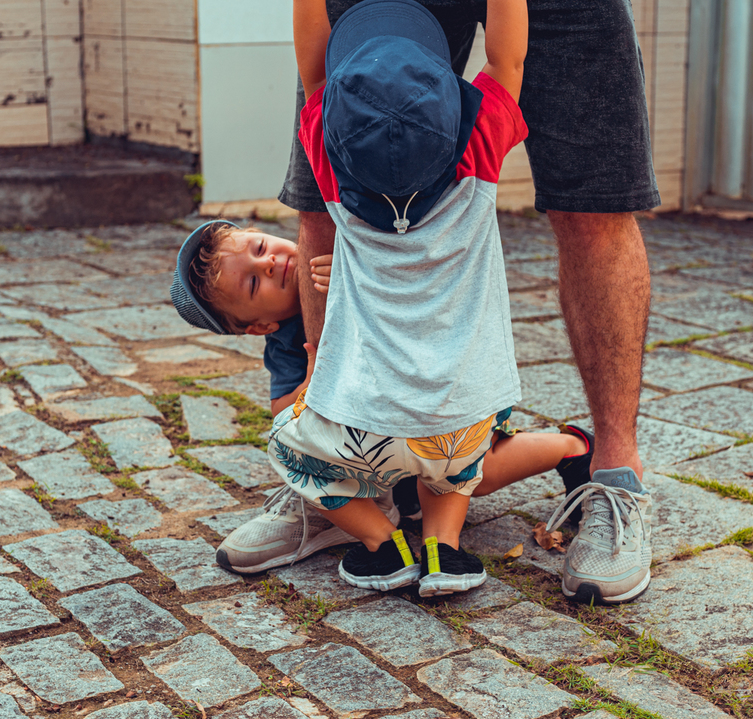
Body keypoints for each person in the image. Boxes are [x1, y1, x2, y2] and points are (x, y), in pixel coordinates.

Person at [279, 0, 656, 604]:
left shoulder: (329, 138)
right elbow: (509, 62)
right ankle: (425, 526)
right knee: (452, 451)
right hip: (464, 421)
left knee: (596, 201)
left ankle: (613, 476)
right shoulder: (479, 154)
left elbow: (316, 72)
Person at [170, 219, 593, 580]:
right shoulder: (285, 340)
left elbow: (413, 295)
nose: (270, 262)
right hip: (375, 445)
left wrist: (357, 281)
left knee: (484, 474)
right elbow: (284, 414)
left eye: (261, 247)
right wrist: (314, 377)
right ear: (260, 325)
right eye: (253, 281)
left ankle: (573, 448)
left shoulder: (344, 259)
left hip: (438, 409)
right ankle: (350, 511)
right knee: (297, 446)